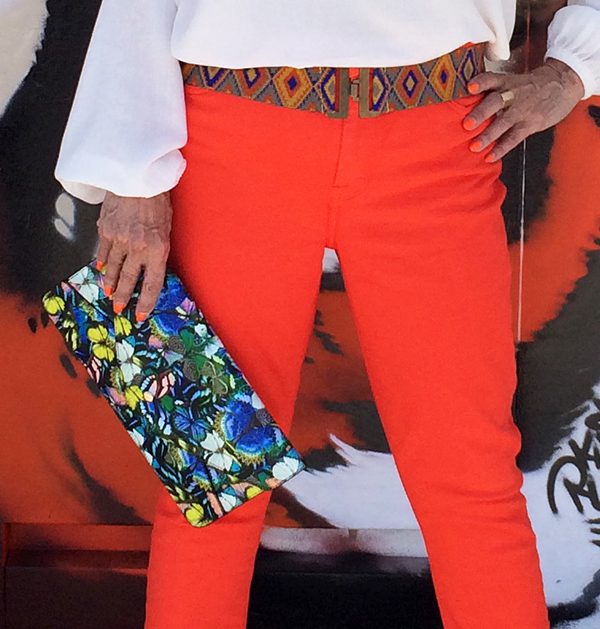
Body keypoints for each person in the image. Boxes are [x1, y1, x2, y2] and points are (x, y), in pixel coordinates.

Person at [54, 2, 600, 628]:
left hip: (441, 133)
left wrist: (573, 66)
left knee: (472, 481)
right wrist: (133, 175)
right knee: (214, 475)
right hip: (231, 141)